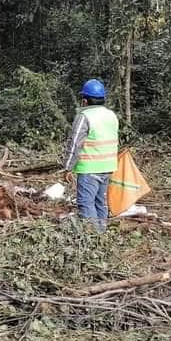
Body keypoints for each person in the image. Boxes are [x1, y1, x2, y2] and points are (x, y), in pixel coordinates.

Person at [62, 78, 119, 232]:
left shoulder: (85, 116)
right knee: (100, 203)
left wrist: (67, 167)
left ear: (85, 100)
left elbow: (75, 143)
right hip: (108, 167)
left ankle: (93, 237)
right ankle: (102, 233)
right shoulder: (111, 115)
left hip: (89, 168)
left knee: (86, 204)